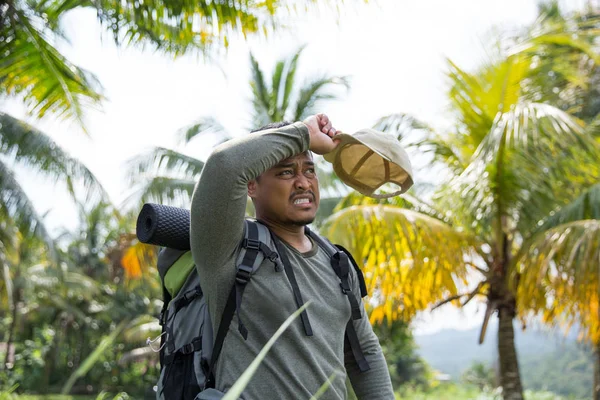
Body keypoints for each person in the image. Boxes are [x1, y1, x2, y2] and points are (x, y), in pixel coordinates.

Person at [189, 114, 394, 399]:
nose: (303, 183)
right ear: (252, 185)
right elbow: (224, 165)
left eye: (309, 171)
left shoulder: (337, 263)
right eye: (286, 172)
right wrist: (305, 133)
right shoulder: (227, 249)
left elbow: (365, 355)